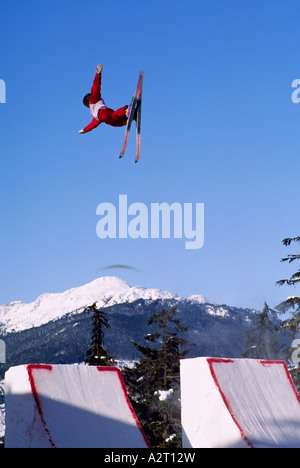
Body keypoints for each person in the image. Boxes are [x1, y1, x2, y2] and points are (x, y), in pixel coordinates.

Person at [79, 64, 131, 134]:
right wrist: (85, 130)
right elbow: (92, 125)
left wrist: (98, 74)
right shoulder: (94, 115)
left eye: (86, 105)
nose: (87, 107)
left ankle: (126, 109)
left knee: (113, 116)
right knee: (115, 123)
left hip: (104, 113)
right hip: (103, 118)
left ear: (87, 101)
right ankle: (129, 117)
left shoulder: (93, 100)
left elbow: (95, 88)